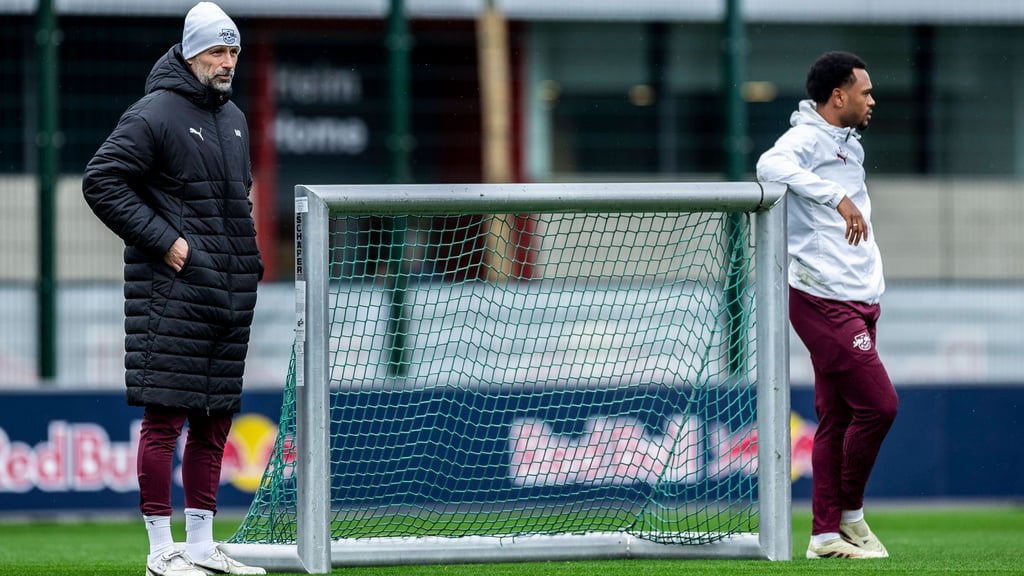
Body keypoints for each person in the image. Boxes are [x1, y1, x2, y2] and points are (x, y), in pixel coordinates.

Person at [82, 3, 265, 575]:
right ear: (190, 54)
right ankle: (162, 552)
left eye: (233, 51)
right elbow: (102, 180)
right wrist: (167, 242)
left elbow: (236, 206)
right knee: (166, 422)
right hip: (173, 291)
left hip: (228, 295)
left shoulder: (234, 118)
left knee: (215, 423)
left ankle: (204, 549)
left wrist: (249, 264)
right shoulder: (154, 113)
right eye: (217, 51)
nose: (227, 61)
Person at [756, 51, 899, 560]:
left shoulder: (845, 146)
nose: (872, 99)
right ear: (838, 96)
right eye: (865, 91)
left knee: (836, 417)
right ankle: (853, 517)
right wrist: (834, 198)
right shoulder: (804, 139)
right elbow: (768, 164)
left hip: (858, 298)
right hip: (822, 297)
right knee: (880, 406)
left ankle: (823, 536)